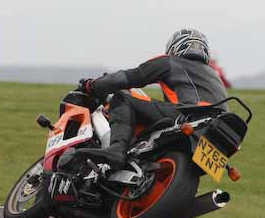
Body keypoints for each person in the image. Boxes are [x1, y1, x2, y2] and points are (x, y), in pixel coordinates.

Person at [74, 28, 228, 169]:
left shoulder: (169, 61)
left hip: (190, 116)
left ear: (175, 46)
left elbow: (126, 78)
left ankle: (117, 149)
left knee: (123, 97)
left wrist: (91, 85)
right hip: (217, 133)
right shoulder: (214, 75)